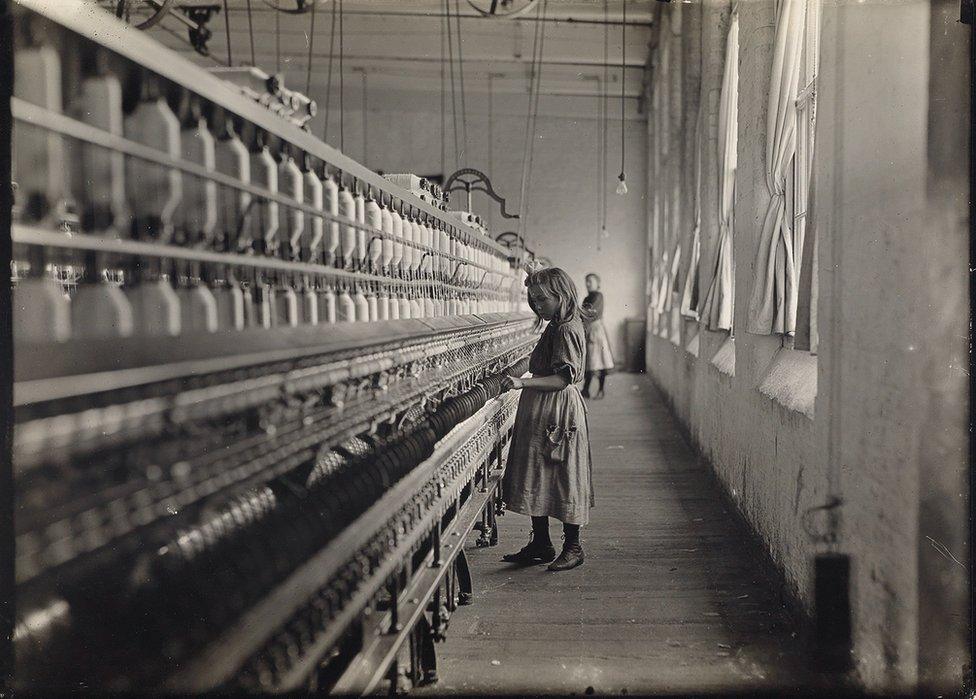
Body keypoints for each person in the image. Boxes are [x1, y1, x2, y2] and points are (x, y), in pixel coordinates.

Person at [499, 267, 594, 571]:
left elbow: (562, 379)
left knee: (563, 474)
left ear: (561, 295)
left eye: (542, 299)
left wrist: (521, 382)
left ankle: (573, 546)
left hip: (557, 409)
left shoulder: (566, 328)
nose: (537, 306)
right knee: (538, 472)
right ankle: (541, 543)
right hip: (543, 408)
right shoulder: (557, 324)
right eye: (533, 300)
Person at [581, 273, 615, 399]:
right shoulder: (586, 298)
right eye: (586, 281)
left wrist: (580, 314)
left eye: (590, 281)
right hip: (589, 330)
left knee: (599, 360)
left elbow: (591, 313)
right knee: (590, 360)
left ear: (597, 283)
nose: (588, 284)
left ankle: (600, 389)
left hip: (596, 331)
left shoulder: (598, 296)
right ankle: (586, 389)